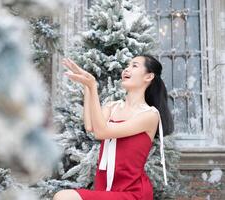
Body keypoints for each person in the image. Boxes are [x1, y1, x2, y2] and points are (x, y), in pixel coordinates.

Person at [53, 55, 174, 200]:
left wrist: (92, 85)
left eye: (134, 66)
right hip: (106, 189)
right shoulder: (113, 107)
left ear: (148, 76)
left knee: (63, 197)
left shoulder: (150, 115)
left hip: (132, 193)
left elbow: (102, 132)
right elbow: (91, 126)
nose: (126, 69)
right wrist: (87, 85)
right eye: (127, 65)